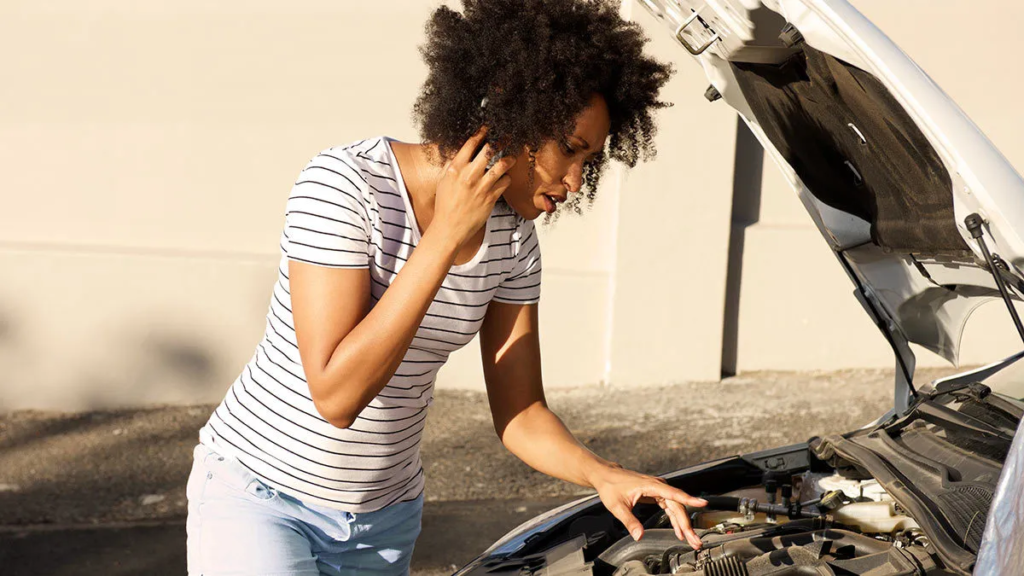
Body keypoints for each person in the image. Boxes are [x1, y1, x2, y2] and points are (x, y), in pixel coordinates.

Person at [185, 1, 706, 574]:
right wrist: (443, 238)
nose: (578, 181)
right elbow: (336, 395)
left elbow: (522, 411)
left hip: (384, 522)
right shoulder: (345, 188)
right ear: (516, 113)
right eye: (571, 149)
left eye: (592, 159)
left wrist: (602, 473)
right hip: (262, 501)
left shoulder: (512, 242)